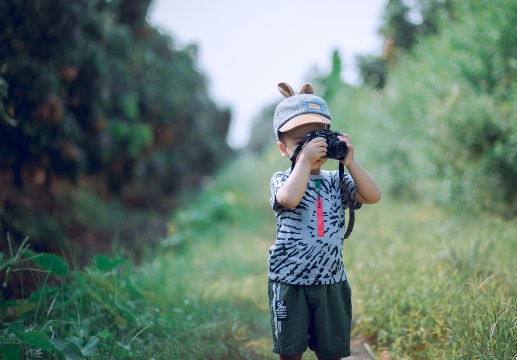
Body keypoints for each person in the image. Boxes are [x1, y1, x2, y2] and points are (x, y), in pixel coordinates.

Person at [268, 82, 381, 360]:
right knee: (290, 352)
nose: (313, 149)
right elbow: (290, 199)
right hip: (289, 281)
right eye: (301, 143)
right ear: (283, 149)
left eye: (318, 138)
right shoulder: (282, 179)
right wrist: (304, 162)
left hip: (331, 280)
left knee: (331, 352)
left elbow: (373, 195)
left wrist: (350, 162)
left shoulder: (336, 179)